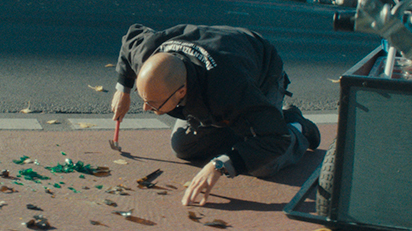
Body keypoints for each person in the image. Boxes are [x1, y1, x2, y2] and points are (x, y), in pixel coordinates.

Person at [111, 24, 320, 206]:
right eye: (144, 98)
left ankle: (296, 124)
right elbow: (131, 36)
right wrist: (124, 89)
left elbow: (276, 139)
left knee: (265, 165)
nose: (146, 108)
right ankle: (243, 130)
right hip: (221, 56)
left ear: (181, 91)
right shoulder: (148, 52)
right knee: (183, 146)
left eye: (154, 103)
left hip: (262, 72)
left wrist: (220, 165)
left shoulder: (230, 88)